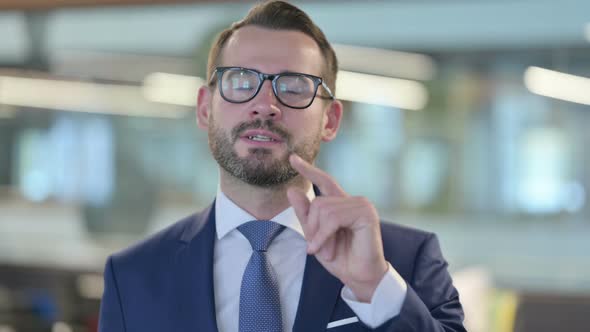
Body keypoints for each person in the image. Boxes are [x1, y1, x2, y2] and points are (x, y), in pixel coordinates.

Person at [98, 1, 465, 331]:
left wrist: (374, 287)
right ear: (205, 108)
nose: (265, 105)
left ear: (331, 120)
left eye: (293, 86)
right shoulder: (133, 276)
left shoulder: (405, 261)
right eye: (241, 81)